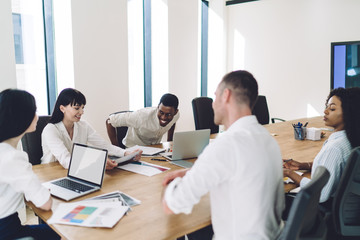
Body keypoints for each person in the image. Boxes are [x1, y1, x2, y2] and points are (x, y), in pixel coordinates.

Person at [161, 70, 285, 239]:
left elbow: (172, 204)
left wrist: (173, 182)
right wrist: (193, 172)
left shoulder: (226, 145)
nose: (212, 104)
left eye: (215, 96)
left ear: (226, 95)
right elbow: (239, 171)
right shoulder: (268, 140)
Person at [283, 87, 360, 205]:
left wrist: (289, 173)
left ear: (348, 113)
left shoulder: (335, 148)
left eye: (332, 108)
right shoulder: (349, 139)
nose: (325, 111)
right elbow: (332, 166)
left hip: (320, 211)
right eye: (327, 106)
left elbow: (320, 193)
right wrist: (303, 165)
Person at [0, 89, 60, 240]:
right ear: (22, 117)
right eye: (35, 111)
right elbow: (45, 204)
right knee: (63, 230)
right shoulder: (12, 157)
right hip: (8, 232)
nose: (37, 116)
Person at [41, 88, 141, 170]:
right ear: (62, 108)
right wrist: (98, 163)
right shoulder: (51, 130)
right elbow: (66, 160)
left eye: (82, 108)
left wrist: (126, 153)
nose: (81, 112)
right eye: (77, 108)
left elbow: (104, 145)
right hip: (51, 174)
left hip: (75, 172)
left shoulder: (83, 126)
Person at [106, 93, 180, 148]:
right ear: (158, 107)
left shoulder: (176, 115)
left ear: (175, 112)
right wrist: (116, 149)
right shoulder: (141, 116)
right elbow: (109, 121)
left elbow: (173, 122)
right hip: (133, 149)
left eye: (168, 114)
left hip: (155, 148)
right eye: (161, 112)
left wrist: (170, 142)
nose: (164, 117)